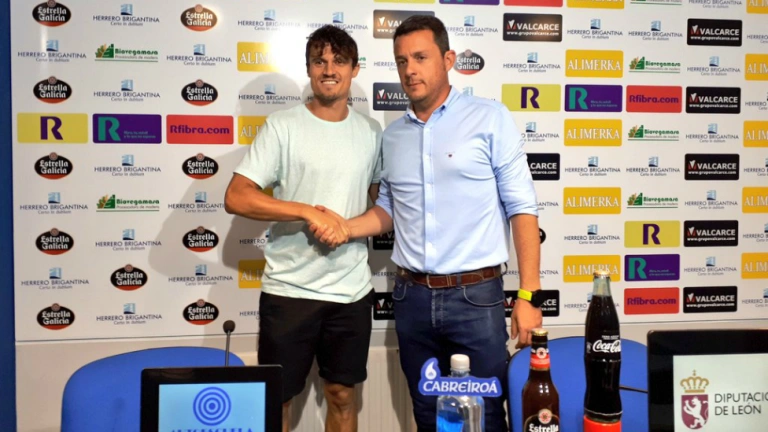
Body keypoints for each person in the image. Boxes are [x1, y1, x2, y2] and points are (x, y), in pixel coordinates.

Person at [311, 16, 543, 431]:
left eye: (420, 57)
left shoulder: (489, 118)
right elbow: (388, 209)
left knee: (486, 415)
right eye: (402, 61)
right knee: (428, 414)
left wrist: (529, 295)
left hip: (476, 299)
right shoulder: (393, 136)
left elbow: (522, 207)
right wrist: (345, 227)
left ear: (448, 59)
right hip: (412, 300)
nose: (410, 70)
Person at [224, 25, 381, 432]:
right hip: (288, 290)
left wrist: (345, 228)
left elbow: (385, 206)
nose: (329, 70)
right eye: (319, 61)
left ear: (354, 69)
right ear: (309, 68)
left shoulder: (371, 132)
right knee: (276, 400)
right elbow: (237, 197)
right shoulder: (282, 126)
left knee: (342, 397)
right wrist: (308, 212)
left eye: (339, 61)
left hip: (350, 291)